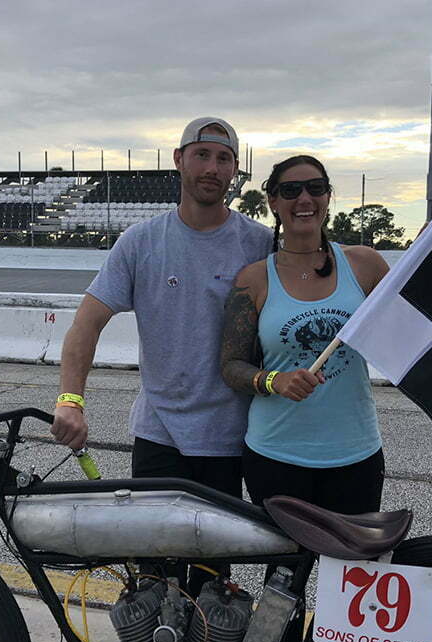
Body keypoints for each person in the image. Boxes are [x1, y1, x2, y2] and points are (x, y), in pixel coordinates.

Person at [51, 118, 272, 585]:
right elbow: (86, 322)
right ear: (179, 159)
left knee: (211, 584)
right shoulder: (141, 242)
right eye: (202, 154)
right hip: (159, 438)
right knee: (154, 581)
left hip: (228, 442)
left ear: (234, 169)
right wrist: (70, 400)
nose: (212, 168)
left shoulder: (259, 244)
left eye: (224, 158)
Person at [219, 154, 389, 642]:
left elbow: (412, 328)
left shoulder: (365, 265)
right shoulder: (254, 279)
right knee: (282, 582)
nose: (304, 200)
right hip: (276, 458)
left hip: (354, 456)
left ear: (328, 197)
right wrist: (273, 380)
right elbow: (230, 365)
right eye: (291, 191)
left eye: (315, 188)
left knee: (354, 583)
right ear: (272, 201)